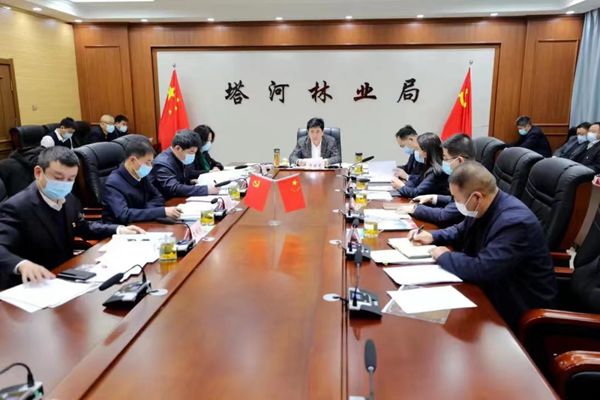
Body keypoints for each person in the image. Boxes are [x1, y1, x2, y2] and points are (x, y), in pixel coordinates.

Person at [410, 161, 557, 330]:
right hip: (492, 290)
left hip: (518, 309)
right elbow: (461, 229)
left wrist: (444, 256)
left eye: (457, 199)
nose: (455, 203)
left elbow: (482, 269)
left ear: (477, 197)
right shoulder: (485, 205)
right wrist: (433, 236)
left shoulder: (515, 222)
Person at [0, 146, 144, 289]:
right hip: (31, 285)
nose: (64, 184)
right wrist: (21, 264)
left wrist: (118, 229)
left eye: (71, 179)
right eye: (58, 178)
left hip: (64, 276)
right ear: (38, 172)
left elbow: (83, 227)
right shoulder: (16, 207)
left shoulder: (68, 198)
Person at [103, 138, 182, 224]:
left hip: (143, 222)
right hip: (124, 228)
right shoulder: (113, 183)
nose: (150, 166)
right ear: (132, 160)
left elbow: (158, 196)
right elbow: (124, 215)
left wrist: (148, 210)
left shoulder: (140, 174)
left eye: (151, 162)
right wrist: (161, 212)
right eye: (147, 162)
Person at [407, 133, 475, 227]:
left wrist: (415, 209)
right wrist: (433, 198)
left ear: (460, 160)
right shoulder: (466, 175)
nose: (443, 162)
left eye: (445, 158)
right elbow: (454, 201)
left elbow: (444, 215)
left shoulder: (471, 183)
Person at [149, 129, 218, 199]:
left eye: (195, 153)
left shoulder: (180, 157)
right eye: (191, 152)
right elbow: (173, 188)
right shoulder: (162, 163)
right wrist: (206, 189)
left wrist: (190, 182)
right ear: (178, 148)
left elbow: (181, 178)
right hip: (165, 201)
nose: (193, 156)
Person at [391, 132, 449, 198]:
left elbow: (417, 193)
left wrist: (401, 186)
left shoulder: (435, 171)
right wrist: (404, 184)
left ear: (425, 152)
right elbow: (418, 181)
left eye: (418, 149)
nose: (417, 152)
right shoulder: (428, 166)